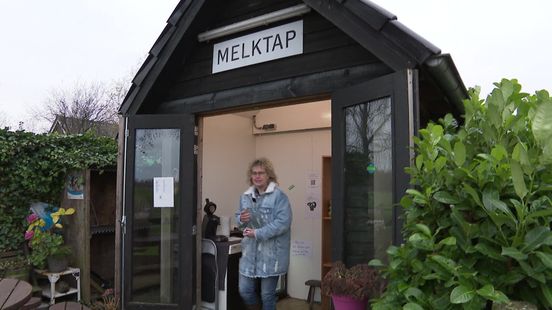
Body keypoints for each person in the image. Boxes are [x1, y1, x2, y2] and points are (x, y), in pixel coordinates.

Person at [235, 158, 292, 310]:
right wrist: (241, 218)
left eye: (261, 173)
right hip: (250, 253)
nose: (257, 176)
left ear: (269, 175)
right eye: (254, 173)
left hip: (271, 255)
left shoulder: (279, 197)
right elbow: (239, 219)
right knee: (245, 290)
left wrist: (258, 233)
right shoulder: (245, 197)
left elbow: (283, 223)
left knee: (267, 295)